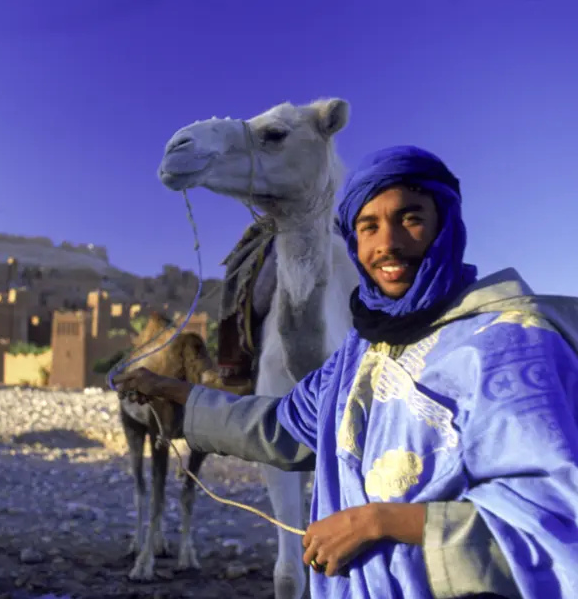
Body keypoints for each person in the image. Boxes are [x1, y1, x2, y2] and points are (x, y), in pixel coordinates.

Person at [114, 145, 578, 599]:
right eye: (368, 226)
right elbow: (282, 426)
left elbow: (555, 521)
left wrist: (377, 522)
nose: (388, 244)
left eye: (410, 218)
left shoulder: (510, 343)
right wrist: (178, 394)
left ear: (445, 225)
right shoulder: (362, 351)